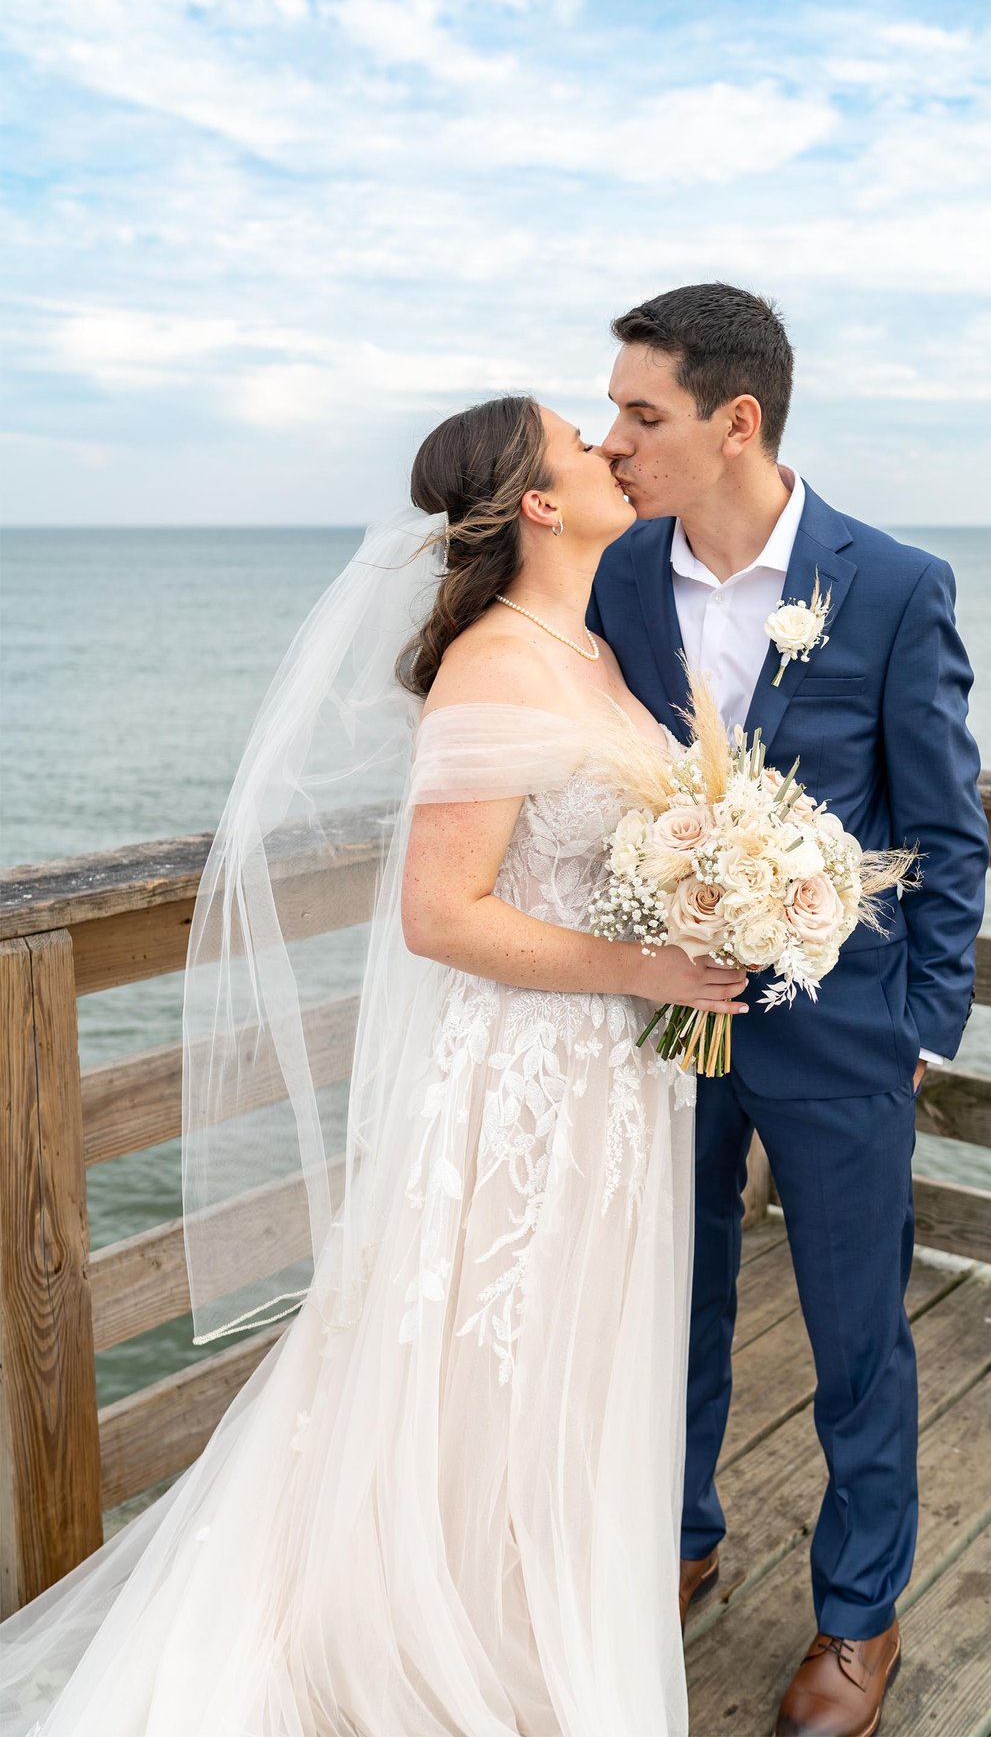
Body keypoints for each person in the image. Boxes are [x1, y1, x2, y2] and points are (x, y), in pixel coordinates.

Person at [0, 396, 747, 1733]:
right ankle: (434, 1646)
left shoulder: (589, 647)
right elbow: (439, 914)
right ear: (535, 503)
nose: (611, 452)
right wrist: (646, 968)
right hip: (523, 1086)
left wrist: (716, 907)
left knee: (577, 1372)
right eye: (583, 443)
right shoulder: (493, 666)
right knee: (489, 1373)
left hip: (615, 1086)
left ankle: (539, 1624)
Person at [586, 284, 987, 1737]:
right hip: (661, 1025)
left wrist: (923, 1025)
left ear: (734, 421)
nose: (610, 439)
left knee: (854, 1333)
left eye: (643, 414)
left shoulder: (891, 585)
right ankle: (681, 1536)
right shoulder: (621, 578)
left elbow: (943, 828)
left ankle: (858, 1616)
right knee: (666, 1299)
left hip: (843, 1040)